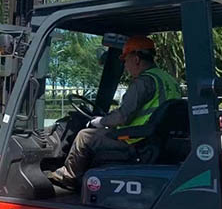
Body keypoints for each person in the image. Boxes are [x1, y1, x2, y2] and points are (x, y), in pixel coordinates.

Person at [48, 36, 180, 190]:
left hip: (137, 141)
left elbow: (123, 116)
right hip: (156, 141)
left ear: (136, 59)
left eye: (125, 60)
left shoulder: (144, 82)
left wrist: (100, 122)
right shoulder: (168, 80)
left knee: (84, 136)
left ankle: (68, 177)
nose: (125, 66)